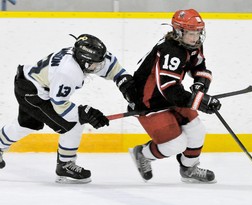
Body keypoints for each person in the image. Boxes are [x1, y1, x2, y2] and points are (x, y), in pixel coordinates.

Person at [0, 33, 134, 184]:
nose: (98, 67)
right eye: (94, 64)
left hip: (29, 82)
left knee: (27, 124)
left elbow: (114, 69)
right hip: (33, 93)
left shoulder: (85, 57)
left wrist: (126, 86)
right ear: (83, 61)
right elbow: (60, 106)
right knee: (73, 125)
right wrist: (86, 113)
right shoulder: (68, 71)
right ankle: (65, 164)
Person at [123, 9, 221, 183]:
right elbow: (168, 89)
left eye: (198, 32)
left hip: (173, 97)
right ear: (178, 32)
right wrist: (200, 101)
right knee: (176, 144)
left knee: (197, 131)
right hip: (148, 102)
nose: (195, 37)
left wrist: (200, 85)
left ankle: (189, 169)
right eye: (191, 33)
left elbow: (200, 68)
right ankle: (143, 154)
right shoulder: (171, 50)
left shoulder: (192, 44)